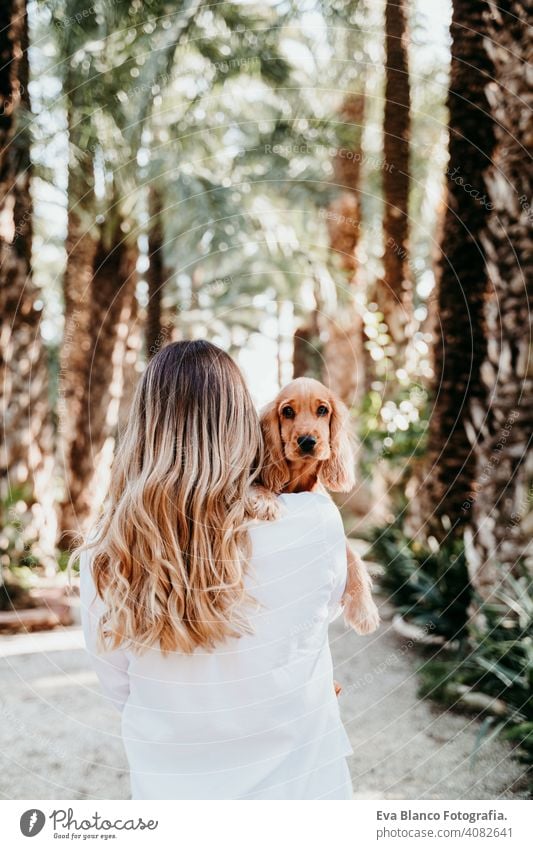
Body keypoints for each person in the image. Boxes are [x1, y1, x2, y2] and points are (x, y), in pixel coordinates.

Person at [77, 339, 353, 800]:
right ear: (242, 422)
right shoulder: (316, 521)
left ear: (145, 428)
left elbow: (118, 686)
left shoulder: (108, 548)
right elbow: (317, 621)